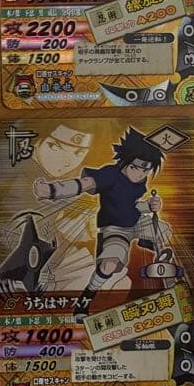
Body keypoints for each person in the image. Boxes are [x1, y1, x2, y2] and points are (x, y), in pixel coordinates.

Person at [33, 128, 168, 320]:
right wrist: (52, 190)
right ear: (125, 160)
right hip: (115, 229)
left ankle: (154, 250)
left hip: (137, 221)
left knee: (163, 230)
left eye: (146, 170)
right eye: (136, 168)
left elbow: (132, 204)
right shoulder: (110, 175)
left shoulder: (141, 181)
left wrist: (150, 205)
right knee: (108, 265)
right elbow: (83, 184)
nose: (140, 174)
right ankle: (85, 300)